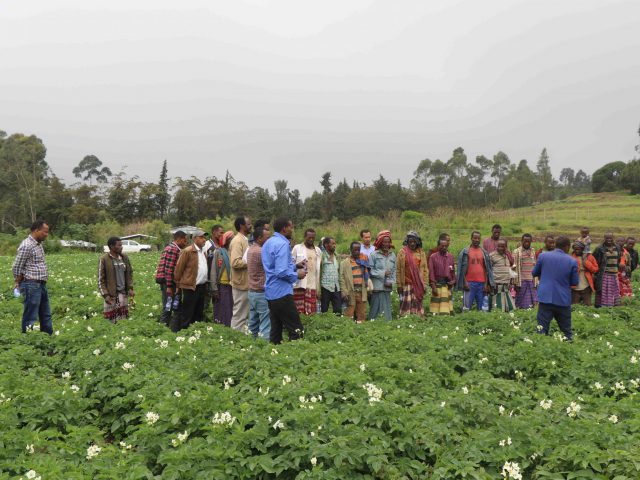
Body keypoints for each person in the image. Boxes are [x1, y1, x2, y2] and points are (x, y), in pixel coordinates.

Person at [262, 217, 307, 344]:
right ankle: (295, 357)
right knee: (297, 330)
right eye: (291, 227)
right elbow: (281, 271)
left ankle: (273, 355)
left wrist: (294, 266)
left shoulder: (269, 242)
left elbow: (273, 266)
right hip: (282, 293)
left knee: (276, 330)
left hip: (271, 293)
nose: (292, 230)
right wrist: (297, 274)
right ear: (284, 228)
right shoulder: (282, 244)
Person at [532, 236, 578, 340]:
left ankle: (540, 351)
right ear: (567, 247)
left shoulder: (543, 256)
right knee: (567, 332)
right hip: (563, 299)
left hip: (545, 298)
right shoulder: (572, 261)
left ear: (556, 244)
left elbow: (534, 273)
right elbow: (574, 282)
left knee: (542, 330)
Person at [12, 220, 53, 334]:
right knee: (31, 315)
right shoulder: (27, 245)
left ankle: (48, 337)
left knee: (46, 314)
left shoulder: (38, 244)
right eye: (44, 232)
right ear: (36, 230)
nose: (46, 234)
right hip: (31, 284)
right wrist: (17, 281)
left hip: (40, 284)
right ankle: (28, 339)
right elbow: (17, 266)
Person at [172, 229, 209, 331]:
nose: (204, 240)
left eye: (204, 237)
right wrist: (178, 285)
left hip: (201, 286)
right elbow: (179, 269)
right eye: (201, 237)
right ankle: (184, 332)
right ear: (195, 239)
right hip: (190, 287)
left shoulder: (203, 252)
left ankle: (195, 332)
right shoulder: (187, 251)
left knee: (198, 312)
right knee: (188, 313)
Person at [98, 237, 134, 323]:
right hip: (111, 296)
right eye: (119, 245)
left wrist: (130, 288)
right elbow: (100, 280)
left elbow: (129, 274)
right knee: (111, 321)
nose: (122, 247)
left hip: (123, 294)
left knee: (122, 320)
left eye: (121, 245)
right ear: (112, 246)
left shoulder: (124, 257)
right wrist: (105, 295)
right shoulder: (104, 259)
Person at [154, 230, 188, 325]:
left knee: (174, 305)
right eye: (185, 241)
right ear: (179, 239)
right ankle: (162, 328)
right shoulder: (173, 249)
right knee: (168, 306)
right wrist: (169, 286)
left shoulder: (171, 248)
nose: (186, 243)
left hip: (170, 283)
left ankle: (171, 327)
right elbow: (169, 270)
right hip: (169, 283)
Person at [456, 231, 494, 311]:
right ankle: (465, 322)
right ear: (471, 238)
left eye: (478, 238)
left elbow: (487, 270)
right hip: (469, 283)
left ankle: (481, 322)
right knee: (466, 307)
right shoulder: (465, 252)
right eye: (475, 238)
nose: (476, 240)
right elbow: (461, 269)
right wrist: (464, 282)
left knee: (482, 309)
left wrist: (486, 284)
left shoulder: (484, 253)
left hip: (482, 284)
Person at [247, 224, 271, 340]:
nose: (269, 239)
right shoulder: (261, 252)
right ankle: (264, 349)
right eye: (267, 237)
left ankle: (250, 345)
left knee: (253, 323)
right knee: (266, 323)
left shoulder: (251, 249)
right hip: (261, 293)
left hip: (252, 292)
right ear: (259, 238)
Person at [396, 231, 428, 316]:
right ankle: (406, 320)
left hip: (418, 284)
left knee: (417, 302)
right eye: (410, 242)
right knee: (406, 303)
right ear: (407, 242)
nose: (412, 244)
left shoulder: (421, 253)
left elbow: (424, 270)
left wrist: (424, 284)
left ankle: (417, 320)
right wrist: (399, 285)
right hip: (406, 283)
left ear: (417, 242)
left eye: (414, 241)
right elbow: (398, 270)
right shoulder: (402, 252)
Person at [229, 216, 252, 331]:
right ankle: (235, 339)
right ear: (242, 226)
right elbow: (235, 262)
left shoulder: (245, 240)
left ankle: (239, 337)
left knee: (243, 314)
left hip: (245, 283)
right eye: (248, 224)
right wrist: (251, 262)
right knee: (239, 314)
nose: (250, 226)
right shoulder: (238, 241)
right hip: (240, 283)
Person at [291, 228, 322, 315]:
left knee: (311, 312)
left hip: (312, 285)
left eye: (313, 238)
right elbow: (291, 264)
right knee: (299, 311)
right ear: (305, 237)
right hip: (300, 285)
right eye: (309, 238)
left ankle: (310, 328)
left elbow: (318, 269)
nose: (311, 239)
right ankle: (299, 328)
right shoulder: (297, 248)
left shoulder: (318, 250)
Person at [368, 230, 397, 321]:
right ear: (380, 243)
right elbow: (370, 271)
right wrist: (382, 273)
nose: (386, 244)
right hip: (377, 287)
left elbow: (395, 271)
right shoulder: (374, 255)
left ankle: (387, 326)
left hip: (387, 287)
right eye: (384, 242)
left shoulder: (393, 256)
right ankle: (374, 326)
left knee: (386, 309)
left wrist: (392, 281)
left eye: (388, 242)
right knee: (375, 310)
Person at [340, 241, 371, 323]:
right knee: (349, 312)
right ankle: (349, 329)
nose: (357, 252)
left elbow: (366, 276)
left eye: (358, 250)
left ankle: (360, 330)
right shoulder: (345, 263)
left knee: (361, 313)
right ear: (351, 250)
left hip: (361, 291)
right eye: (354, 250)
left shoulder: (363, 262)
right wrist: (344, 292)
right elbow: (341, 278)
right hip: (350, 292)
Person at [209, 231, 235, 327]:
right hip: (222, 285)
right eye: (232, 238)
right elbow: (213, 271)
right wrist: (214, 288)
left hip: (233, 285)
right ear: (227, 240)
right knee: (222, 309)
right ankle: (222, 328)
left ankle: (230, 328)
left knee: (231, 309)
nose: (233, 240)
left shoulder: (234, 251)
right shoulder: (219, 252)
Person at [427, 238, 455, 315]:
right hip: (437, 285)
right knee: (435, 310)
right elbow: (431, 273)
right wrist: (433, 286)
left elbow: (453, 272)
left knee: (446, 309)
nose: (444, 248)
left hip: (447, 286)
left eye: (446, 246)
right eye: (442, 246)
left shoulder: (450, 257)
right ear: (438, 246)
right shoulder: (433, 257)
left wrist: (453, 281)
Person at [593, 233, 622, 307]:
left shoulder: (617, 247)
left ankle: (612, 307)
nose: (609, 240)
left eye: (610, 238)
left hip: (614, 274)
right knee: (604, 292)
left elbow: (618, 260)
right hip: (604, 274)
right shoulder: (600, 249)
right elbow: (595, 261)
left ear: (613, 238)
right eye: (607, 238)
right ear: (604, 238)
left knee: (614, 292)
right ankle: (603, 308)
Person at [512, 234, 538, 309]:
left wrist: (536, 281)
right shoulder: (517, 252)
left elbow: (535, 265)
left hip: (531, 280)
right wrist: (515, 283)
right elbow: (514, 267)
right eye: (525, 241)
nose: (527, 243)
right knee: (520, 302)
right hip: (521, 281)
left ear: (531, 241)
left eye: (528, 241)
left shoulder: (533, 251)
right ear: (522, 241)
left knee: (533, 302)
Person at [489, 239, 514, 312]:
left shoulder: (507, 255)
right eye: (498, 246)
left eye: (502, 246)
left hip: (506, 285)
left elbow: (510, 267)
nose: (500, 248)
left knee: (510, 307)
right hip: (496, 285)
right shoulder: (492, 255)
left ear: (505, 247)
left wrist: (510, 281)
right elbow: (488, 271)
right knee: (497, 307)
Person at [570, 241, 599, 306]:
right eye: (575, 249)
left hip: (587, 286)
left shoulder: (589, 257)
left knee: (587, 305)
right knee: (574, 306)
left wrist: (585, 262)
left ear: (582, 249)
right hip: (575, 287)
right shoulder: (571, 258)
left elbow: (595, 269)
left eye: (578, 249)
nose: (576, 251)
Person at [319, 236, 342, 314]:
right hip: (325, 287)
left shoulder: (337, 256)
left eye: (335, 243)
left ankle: (337, 325)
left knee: (338, 309)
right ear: (326, 245)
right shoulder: (322, 256)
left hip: (336, 287)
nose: (334, 245)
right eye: (332, 243)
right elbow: (318, 271)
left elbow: (339, 272)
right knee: (324, 309)